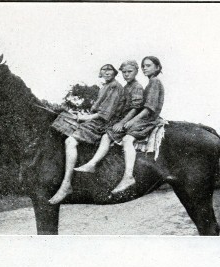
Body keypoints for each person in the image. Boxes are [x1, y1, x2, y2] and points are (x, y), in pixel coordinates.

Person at [48, 64, 124, 204]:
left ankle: (66, 185)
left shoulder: (115, 87)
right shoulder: (105, 87)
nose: (107, 72)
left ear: (115, 73)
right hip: (97, 121)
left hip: (103, 124)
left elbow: (105, 114)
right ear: (100, 73)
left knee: (70, 142)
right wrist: (83, 114)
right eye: (104, 70)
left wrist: (85, 118)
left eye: (110, 70)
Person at [75, 60, 144, 174]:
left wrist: (122, 123)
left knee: (107, 136)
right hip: (120, 118)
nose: (126, 74)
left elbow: (135, 108)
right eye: (124, 72)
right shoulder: (126, 86)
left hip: (130, 120)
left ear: (136, 71)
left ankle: (92, 163)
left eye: (130, 71)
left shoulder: (137, 87)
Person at [110, 56, 164, 195]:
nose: (145, 68)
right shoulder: (151, 82)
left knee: (127, 139)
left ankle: (128, 176)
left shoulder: (155, 82)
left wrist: (132, 121)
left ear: (157, 67)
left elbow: (148, 108)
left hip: (148, 119)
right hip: (145, 118)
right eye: (143, 66)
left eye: (149, 65)